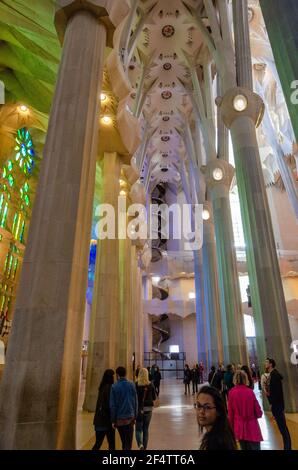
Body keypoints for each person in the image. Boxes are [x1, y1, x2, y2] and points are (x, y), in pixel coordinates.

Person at [228, 370, 263, 450]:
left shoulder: (231, 393)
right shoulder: (250, 392)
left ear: (235, 379)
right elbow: (259, 413)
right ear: (245, 379)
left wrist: (231, 430)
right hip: (252, 428)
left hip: (239, 429)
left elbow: (231, 414)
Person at [195, 385, 237, 450]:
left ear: (219, 411)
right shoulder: (223, 432)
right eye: (199, 406)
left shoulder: (217, 442)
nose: (201, 411)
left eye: (207, 407)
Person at [110, 366, 138, 450]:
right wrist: (135, 416)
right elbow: (135, 401)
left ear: (117, 375)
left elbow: (112, 405)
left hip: (119, 419)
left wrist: (113, 420)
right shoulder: (132, 385)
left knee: (124, 441)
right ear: (125, 374)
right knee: (128, 443)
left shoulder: (114, 387)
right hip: (130, 417)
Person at [267, 358, 292, 450]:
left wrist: (270, 398)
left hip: (277, 405)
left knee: (282, 428)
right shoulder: (273, 375)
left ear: (271, 364)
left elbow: (277, 393)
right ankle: (287, 446)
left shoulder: (274, 375)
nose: (265, 363)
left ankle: (287, 447)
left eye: (267, 362)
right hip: (277, 405)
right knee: (282, 428)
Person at [92, 369, 115, 450]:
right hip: (106, 421)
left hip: (99, 420)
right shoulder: (110, 388)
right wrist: (113, 419)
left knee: (98, 443)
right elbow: (110, 405)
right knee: (111, 444)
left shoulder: (102, 387)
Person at [135, 368, 156, 450]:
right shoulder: (150, 385)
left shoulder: (136, 385)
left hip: (139, 409)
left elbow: (134, 398)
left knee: (138, 429)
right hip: (149, 409)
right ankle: (145, 448)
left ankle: (140, 445)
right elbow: (154, 397)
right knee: (145, 429)